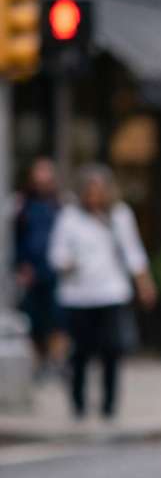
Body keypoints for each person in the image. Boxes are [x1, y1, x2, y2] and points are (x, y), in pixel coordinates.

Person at [48, 164, 157, 419]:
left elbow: (134, 253)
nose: (95, 195)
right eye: (90, 190)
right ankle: (78, 405)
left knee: (112, 350)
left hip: (111, 293)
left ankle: (109, 406)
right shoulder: (69, 217)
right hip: (78, 296)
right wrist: (67, 263)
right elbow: (56, 254)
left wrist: (145, 284)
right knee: (81, 352)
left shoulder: (119, 215)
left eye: (99, 190)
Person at [13, 157, 65, 375]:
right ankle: (38, 362)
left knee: (56, 319)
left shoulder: (60, 204)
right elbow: (17, 239)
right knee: (32, 320)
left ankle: (55, 362)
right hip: (31, 272)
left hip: (54, 271)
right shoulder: (22, 204)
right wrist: (20, 266)